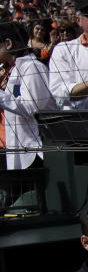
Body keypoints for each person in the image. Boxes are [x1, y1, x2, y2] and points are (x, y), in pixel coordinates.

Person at [0, 21, 54, 169]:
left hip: (33, 151)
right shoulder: (9, 70)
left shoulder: (33, 67)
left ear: (8, 43)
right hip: (14, 149)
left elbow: (33, 109)